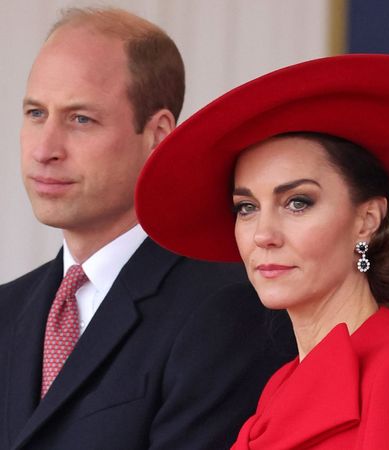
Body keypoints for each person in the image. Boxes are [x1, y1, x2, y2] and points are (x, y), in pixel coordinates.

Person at [0, 7, 296, 450]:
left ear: (158, 134)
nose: (45, 149)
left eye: (81, 118)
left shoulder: (227, 308)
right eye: (36, 113)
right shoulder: (8, 309)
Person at [136, 54, 389, 449]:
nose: (263, 235)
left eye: (298, 202)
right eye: (246, 208)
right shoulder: (280, 386)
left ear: (367, 220)